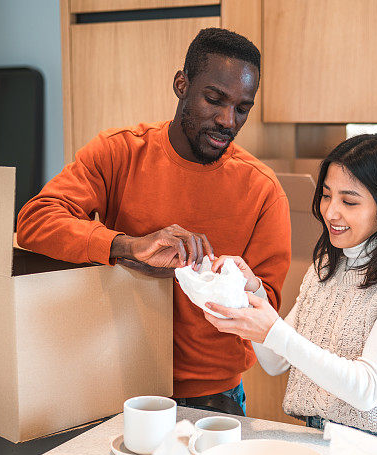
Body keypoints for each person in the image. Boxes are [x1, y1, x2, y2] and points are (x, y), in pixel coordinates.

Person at [16, 28, 291, 416]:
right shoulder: (119, 152)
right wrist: (126, 246)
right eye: (214, 99)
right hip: (119, 381)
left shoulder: (262, 189)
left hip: (216, 397)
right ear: (182, 84)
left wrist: (230, 284)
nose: (228, 120)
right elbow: (35, 220)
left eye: (242, 108)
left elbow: (267, 310)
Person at [203, 134, 377, 447]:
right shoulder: (327, 266)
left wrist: (273, 330)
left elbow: (367, 389)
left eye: (349, 201)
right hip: (321, 438)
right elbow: (275, 361)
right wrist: (247, 293)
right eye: (327, 195)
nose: (331, 212)